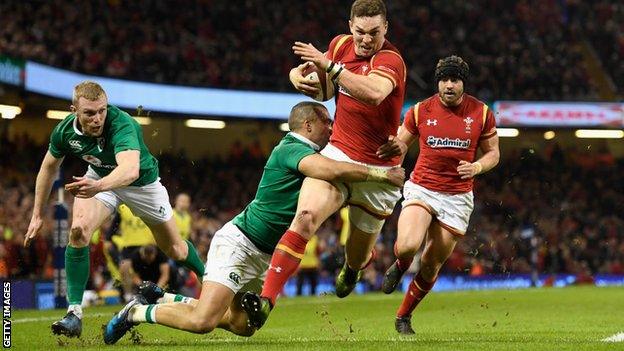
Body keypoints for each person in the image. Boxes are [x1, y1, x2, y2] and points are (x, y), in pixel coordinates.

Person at [103, 101, 404, 344]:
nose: (332, 126)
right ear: (308, 124)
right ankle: (136, 312)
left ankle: (168, 297)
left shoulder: (314, 150)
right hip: (241, 243)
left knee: (243, 325)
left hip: (265, 256)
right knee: (203, 322)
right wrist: (378, 174)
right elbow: (330, 170)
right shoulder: (291, 148)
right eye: (327, 121)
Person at [241, 0, 406, 329]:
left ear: (385, 28)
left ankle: (353, 269)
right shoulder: (340, 45)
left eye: (374, 32)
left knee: (357, 256)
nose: (365, 40)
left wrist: (329, 67)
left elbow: (373, 93)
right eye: (360, 32)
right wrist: (298, 78)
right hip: (339, 153)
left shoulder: (391, 59)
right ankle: (266, 300)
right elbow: (329, 91)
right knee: (304, 217)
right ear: (350, 26)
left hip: (380, 171)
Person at [23, 81, 205, 338]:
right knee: (77, 231)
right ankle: (74, 314)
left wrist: (97, 186)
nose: (97, 118)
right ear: (74, 110)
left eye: (102, 110)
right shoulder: (64, 132)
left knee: (174, 249)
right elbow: (48, 168)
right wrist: (37, 214)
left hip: (141, 185)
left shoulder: (122, 124)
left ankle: (209, 280)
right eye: (89, 113)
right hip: (100, 180)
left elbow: (129, 171)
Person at [379, 55, 500, 334]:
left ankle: (403, 316)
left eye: (454, 80)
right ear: (438, 83)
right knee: (409, 245)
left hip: (457, 197)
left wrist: (478, 166)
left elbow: (494, 153)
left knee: (432, 263)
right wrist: (391, 148)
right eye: (444, 79)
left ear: (463, 84)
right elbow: (401, 144)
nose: (449, 85)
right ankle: (400, 264)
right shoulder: (421, 110)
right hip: (423, 187)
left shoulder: (480, 113)